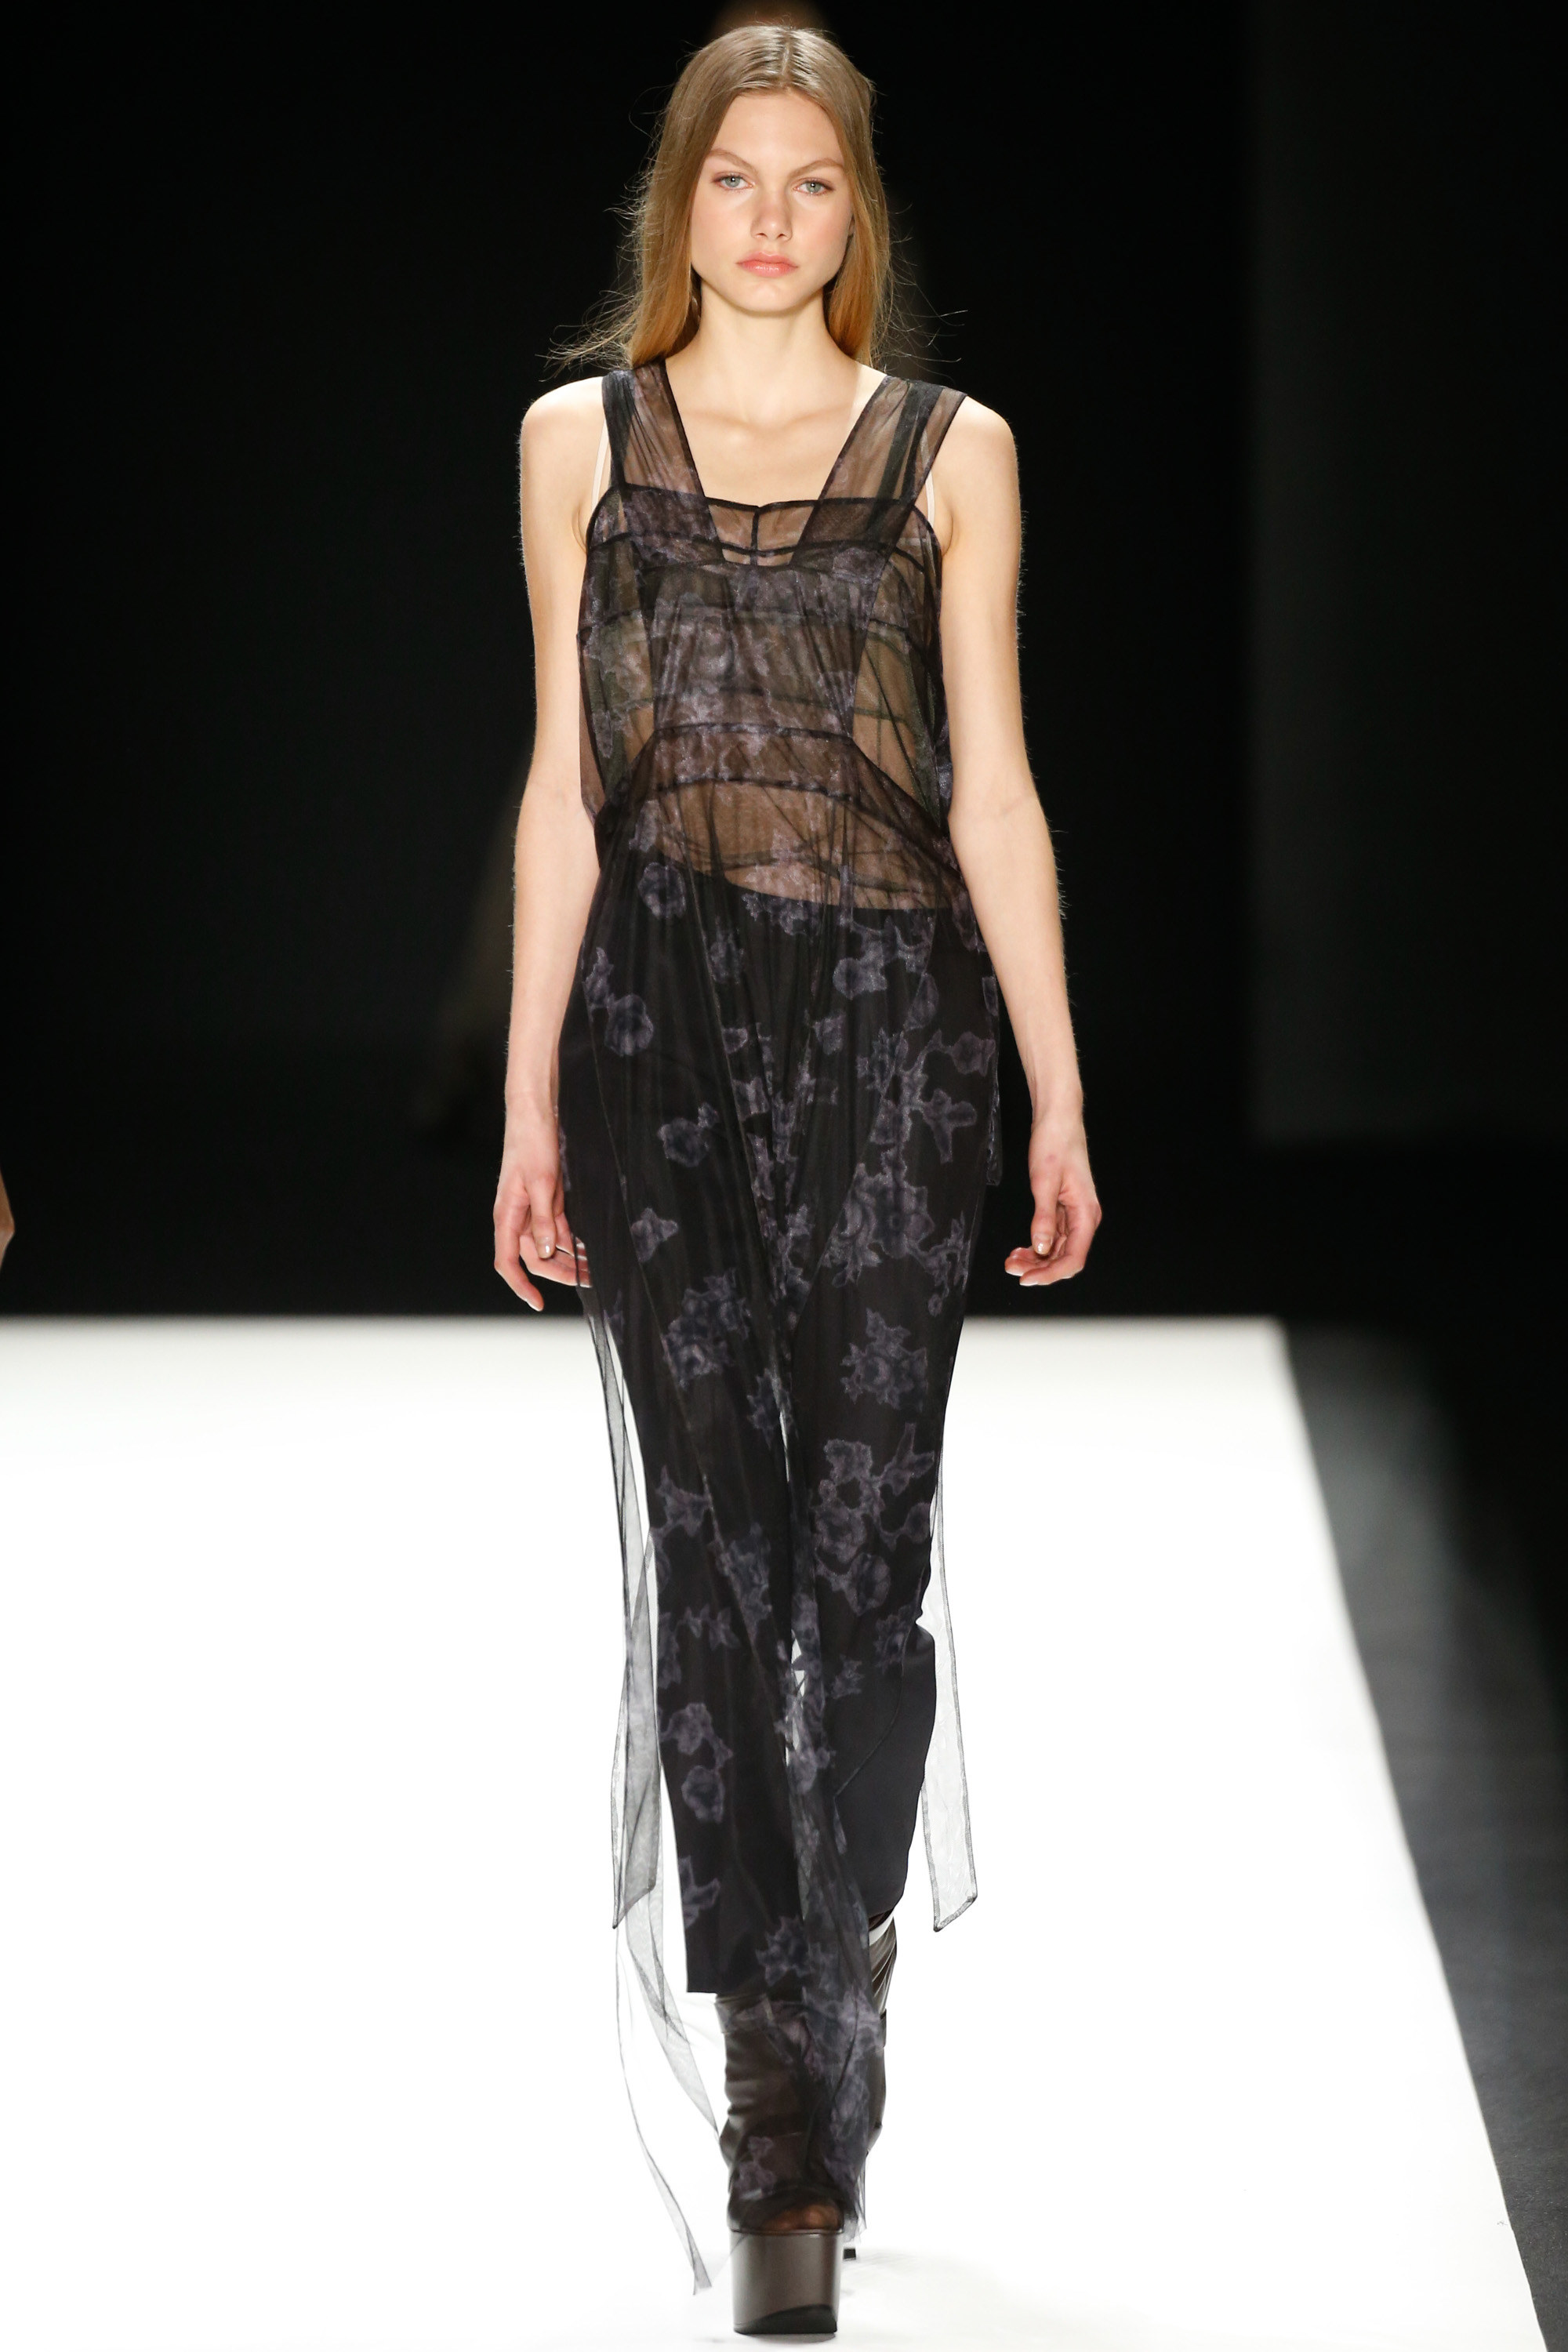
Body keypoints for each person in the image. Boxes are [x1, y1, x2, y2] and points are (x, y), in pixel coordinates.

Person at [492, 24, 1099, 2336]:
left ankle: (831, 1951)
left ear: (859, 210)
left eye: (811, 182)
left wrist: (1054, 1093)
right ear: (682, 202)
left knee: (858, 1547)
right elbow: (564, 786)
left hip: (890, 1045)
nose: (769, 221)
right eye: (733, 179)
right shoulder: (577, 444)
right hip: (656, 1037)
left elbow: (993, 790)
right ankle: (786, 2111)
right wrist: (530, 1100)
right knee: (717, 1555)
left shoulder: (955, 452)